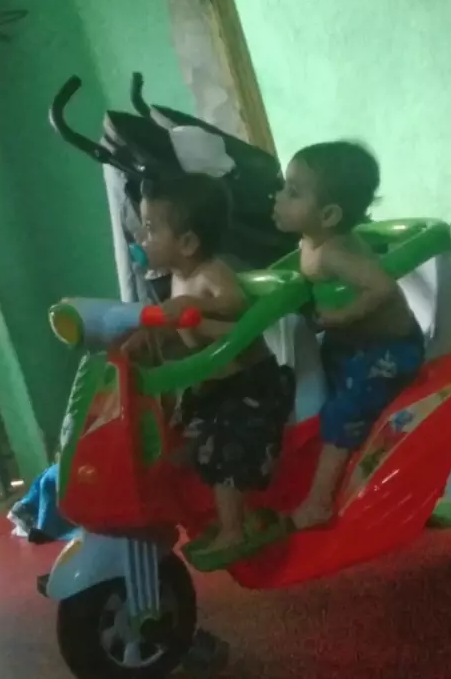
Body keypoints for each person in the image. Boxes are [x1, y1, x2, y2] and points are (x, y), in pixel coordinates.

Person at [122, 173, 294, 554]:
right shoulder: (177, 277)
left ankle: (235, 530)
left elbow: (236, 304)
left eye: (150, 229)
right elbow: (178, 328)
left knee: (225, 452)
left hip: (250, 385)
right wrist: (145, 338)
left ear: (187, 242)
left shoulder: (210, 273)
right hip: (213, 387)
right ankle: (231, 514)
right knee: (177, 444)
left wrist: (194, 306)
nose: (141, 239)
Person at [273, 141, 424, 530]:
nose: (278, 197)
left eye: (293, 192)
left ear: (328, 215)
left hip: (389, 349)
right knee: (312, 380)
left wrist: (341, 315)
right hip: (352, 343)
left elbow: (382, 288)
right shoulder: (310, 242)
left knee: (343, 412)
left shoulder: (335, 252)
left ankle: (319, 502)